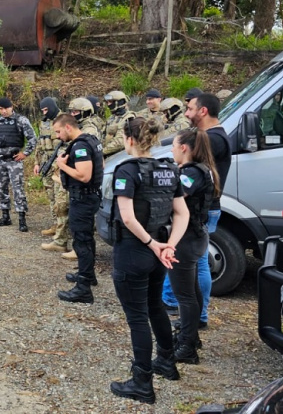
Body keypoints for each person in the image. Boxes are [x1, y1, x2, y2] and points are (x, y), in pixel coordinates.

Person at [108, 117, 190, 404]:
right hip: (158, 250)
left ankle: (142, 382)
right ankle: (166, 361)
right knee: (155, 306)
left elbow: (128, 217)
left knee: (137, 317)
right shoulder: (169, 168)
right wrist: (168, 246)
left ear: (129, 140)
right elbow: (182, 213)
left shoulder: (127, 170)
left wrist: (153, 245)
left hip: (135, 250)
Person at [162, 93, 232, 326]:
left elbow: (185, 184)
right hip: (200, 207)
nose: (186, 113)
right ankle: (177, 304)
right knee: (189, 260)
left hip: (200, 209)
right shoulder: (211, 137)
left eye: (190, 108)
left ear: (203, 111)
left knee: (196, 262)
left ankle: (196, 315)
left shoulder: (212, 140)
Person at [167, 128, 219, 364]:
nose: (172, 150)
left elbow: (175, 198)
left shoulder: (191, 173)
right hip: (196, 235)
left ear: (184, 148)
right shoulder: (202, 169)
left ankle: (187, 347)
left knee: (184, 295)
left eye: (174, 146)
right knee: (192, 290)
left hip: (187, 238)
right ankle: (192, 337)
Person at [52, 114, 103, 304]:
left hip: (83, 198)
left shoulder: (81, 146)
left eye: (58, 131)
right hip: (89, 196)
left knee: (81, 241)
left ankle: (83, 289)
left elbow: (84, 176)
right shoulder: (91, 140)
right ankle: (87, 274)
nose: (58, 136)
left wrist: (62, 166)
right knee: (87, 238)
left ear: (68, 127)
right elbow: (101, 164)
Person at [0, 98, 37, 232]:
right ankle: (5, 216)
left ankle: (22, 219)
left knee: (18, 189)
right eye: (0, 109)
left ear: (11, 107)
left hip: (14, 161)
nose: (3, 111)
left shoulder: (21, 121)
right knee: (1, 188)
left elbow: (32, 138)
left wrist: (25, 153)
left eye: (5, 108)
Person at [36, 98, 69, 252]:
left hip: (59, 163)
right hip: (46, 163)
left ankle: (64, 230)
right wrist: (37, 163)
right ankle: (56, 224)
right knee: (50, 195)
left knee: (60, 198)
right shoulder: (43, 123)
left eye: (46, 110)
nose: (44, 113)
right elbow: (39, 144)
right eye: (42, 110)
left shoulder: (64, 120)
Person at [103, 91, 136, 157]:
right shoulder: (112, 118)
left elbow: (120, 142)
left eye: (110, 102)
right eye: (107, 102)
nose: (108, 104)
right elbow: (103, 136)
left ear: (119, 102)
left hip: (121, 156)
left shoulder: (128, 118)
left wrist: (102, 152)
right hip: (109, 154)